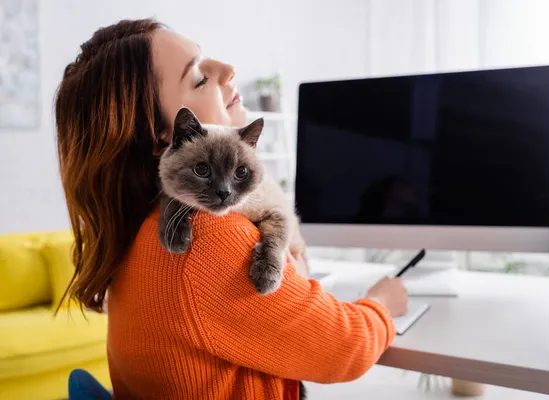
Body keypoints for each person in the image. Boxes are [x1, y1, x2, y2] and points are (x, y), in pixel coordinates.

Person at [55, 18, 408, 399]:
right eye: (199, 78)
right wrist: (382, 302)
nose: (227, 71)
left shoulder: (143, 226)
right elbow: (346, 348)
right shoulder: (207, 240)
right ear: (164, 138)